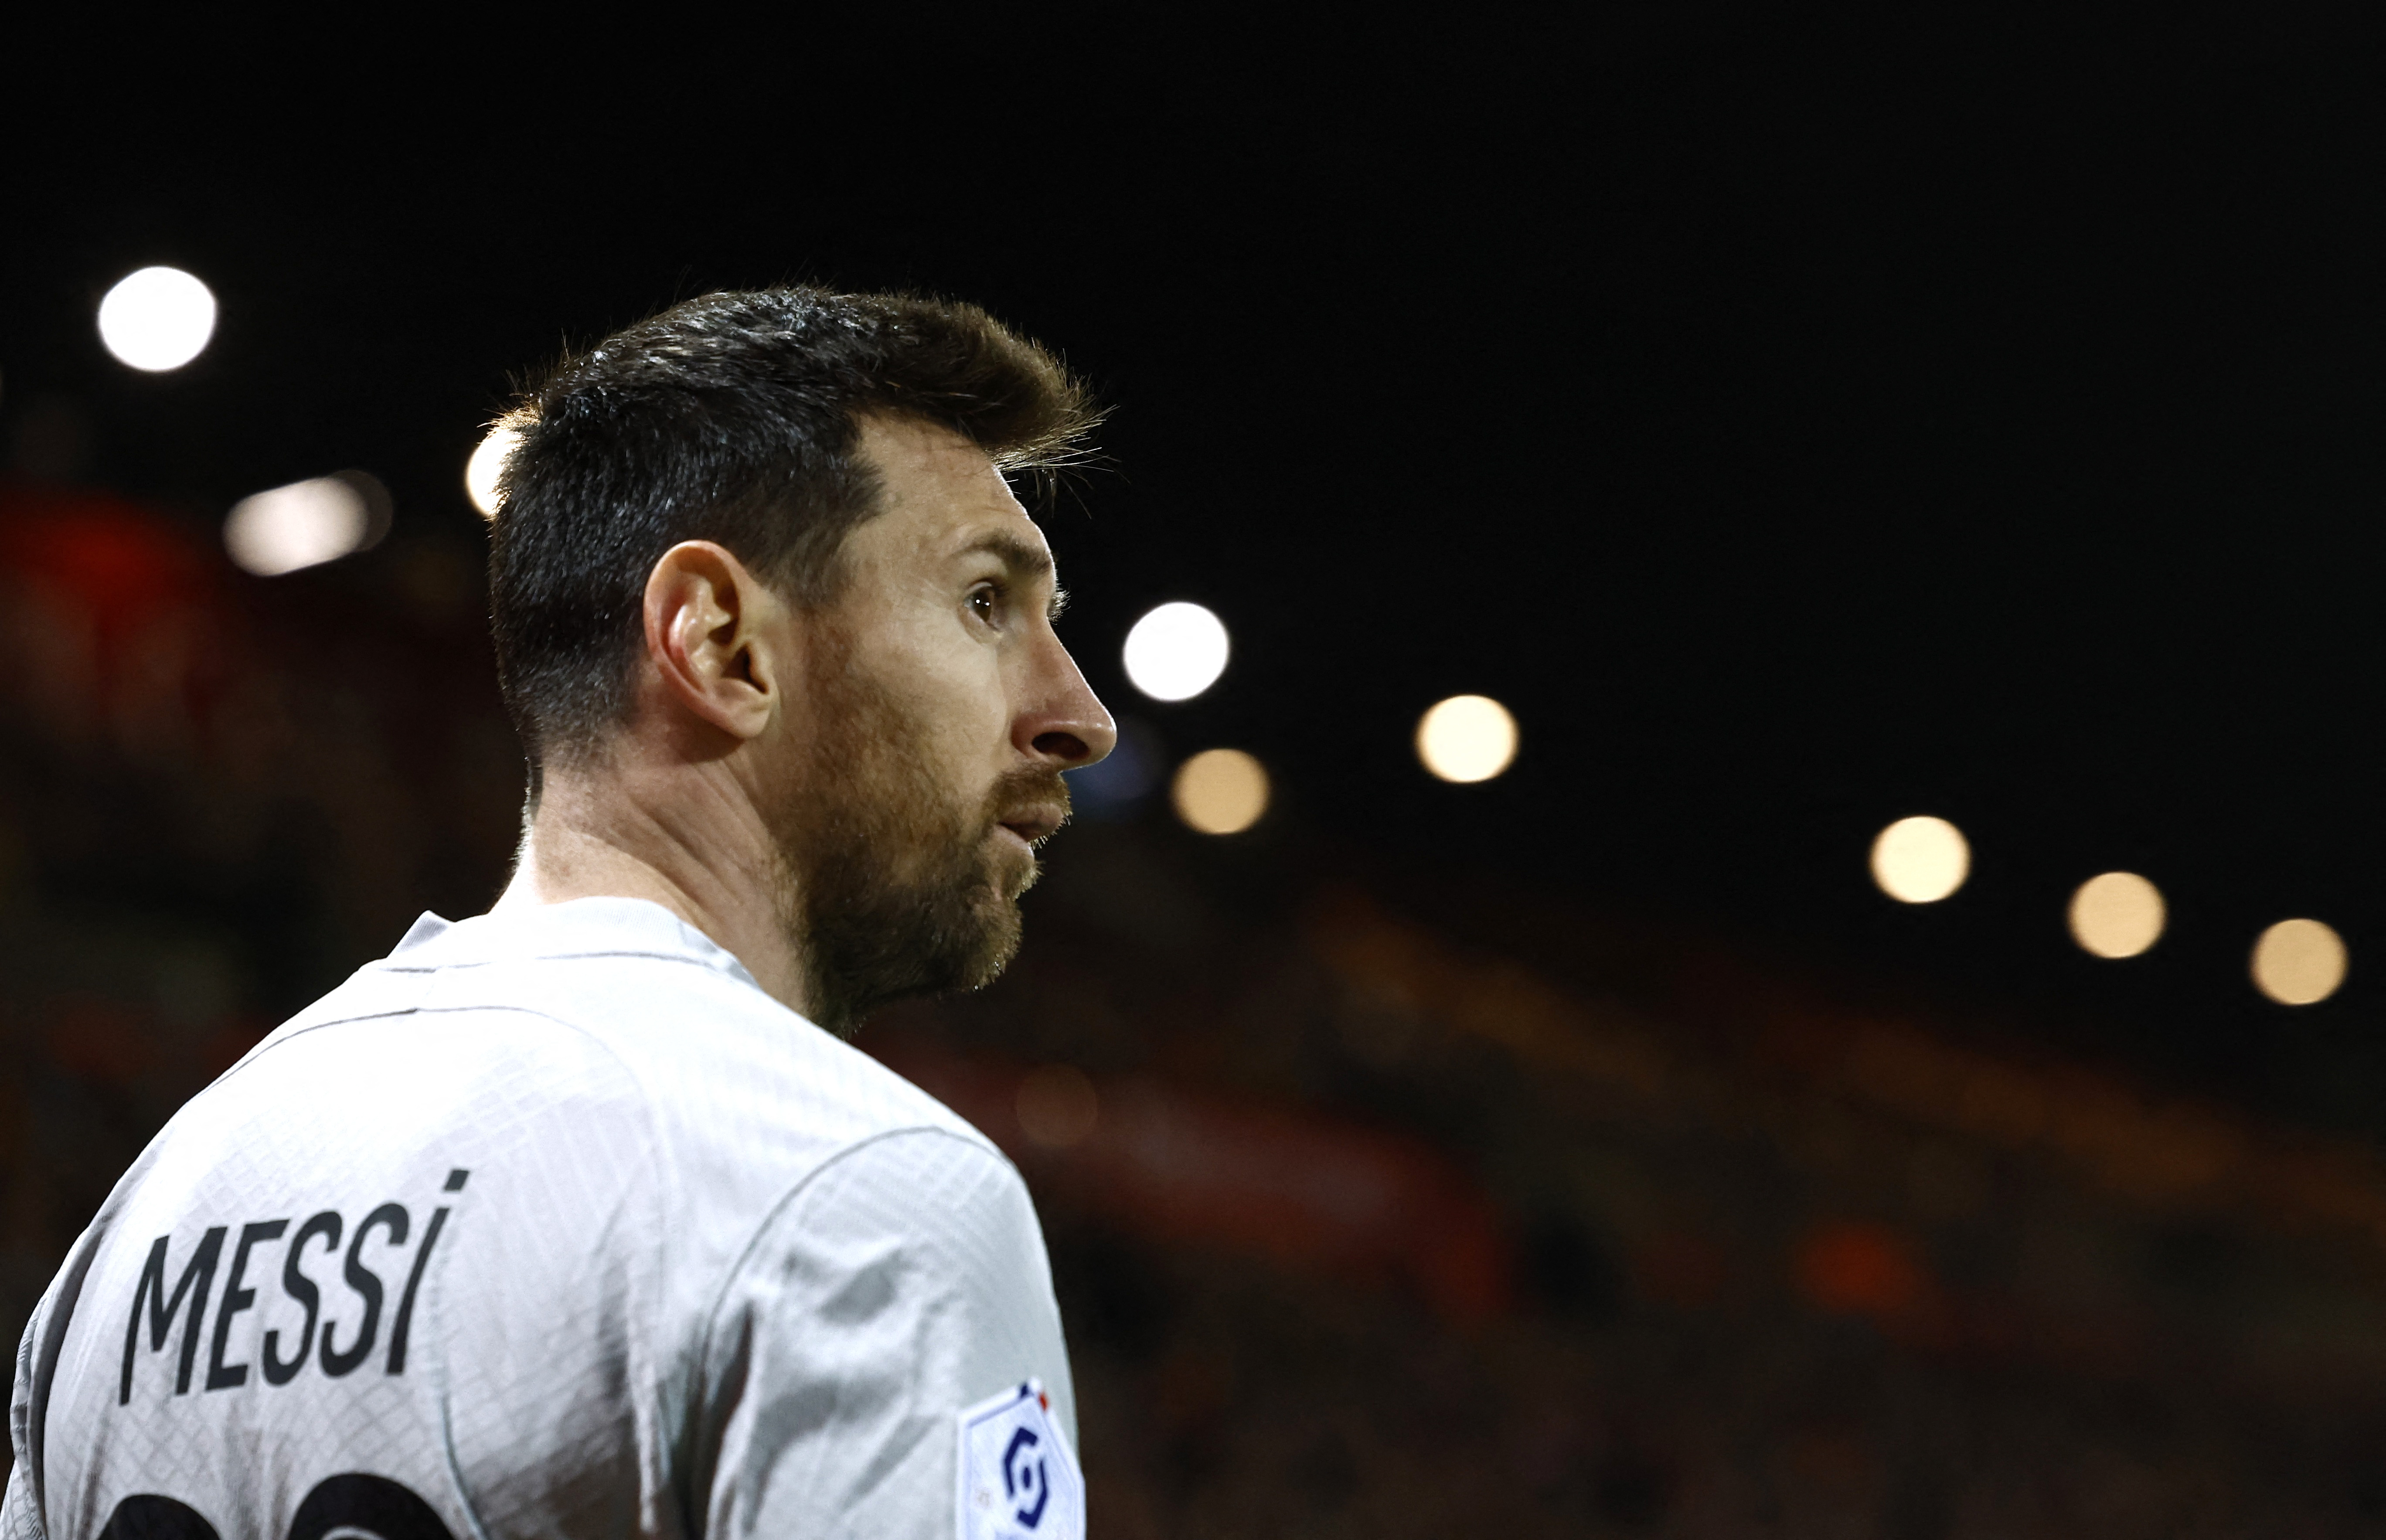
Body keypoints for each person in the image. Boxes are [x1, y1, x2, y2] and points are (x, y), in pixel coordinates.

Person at [4, 288, 1117, 1539]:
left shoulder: (145, 1222)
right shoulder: (861, 1195)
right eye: (984, 603)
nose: (1079, 713)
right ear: (720, 644)